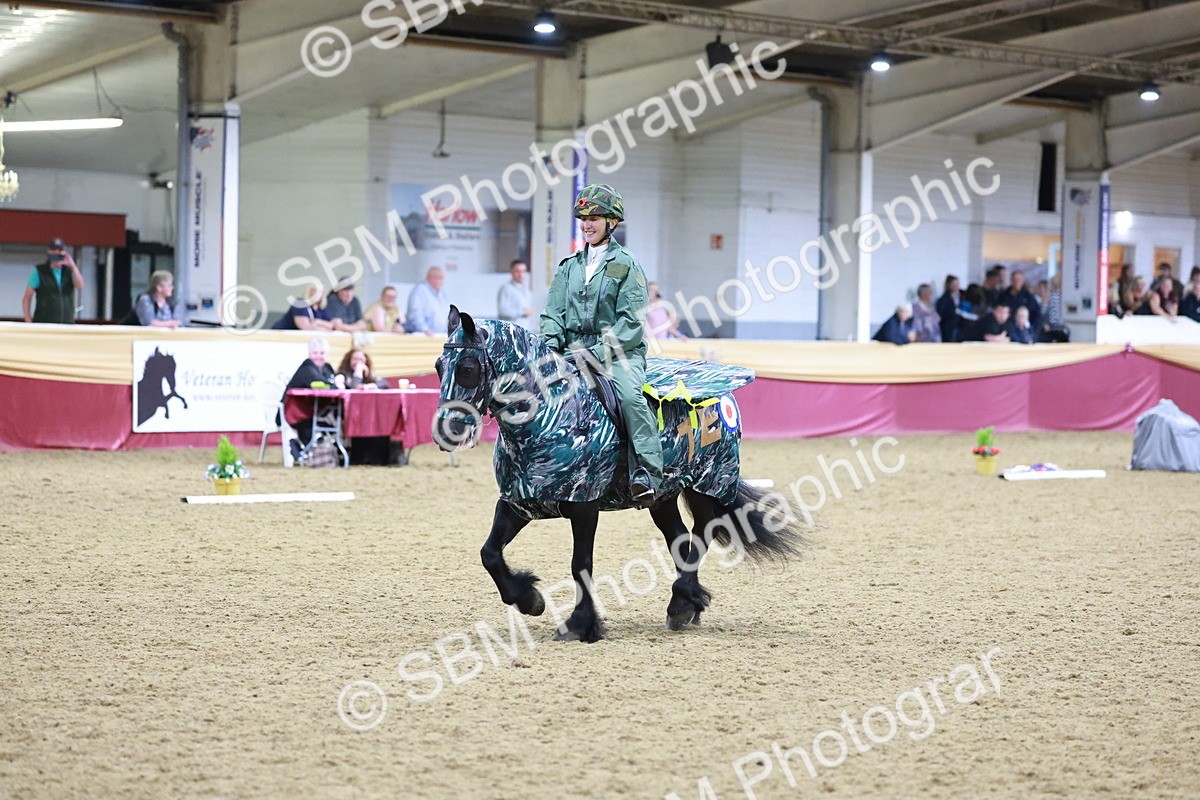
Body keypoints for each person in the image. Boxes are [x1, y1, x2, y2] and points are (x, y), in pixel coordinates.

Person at [541, 183, 661, 507]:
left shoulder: (627, 264)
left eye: (594, 218)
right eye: (583, 218)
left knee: (630, 397)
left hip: (618, 354)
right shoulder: (568, 266)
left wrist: (595, 354)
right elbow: (552, 313)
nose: (587, 224)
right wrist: (550, 346)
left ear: (612, 222)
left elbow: (631, 322)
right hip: (572, 352)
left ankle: (646, 473)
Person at [282, 337, 338, 462]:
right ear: (309, 354)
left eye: (322, 353)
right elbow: (320, 383)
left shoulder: (327, 368)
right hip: (295, 413)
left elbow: (332, 384)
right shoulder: (307, 368)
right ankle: (305, 451)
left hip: (314, 411)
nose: (318, 356)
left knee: (336, 416)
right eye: (315, 353)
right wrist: (336, 385)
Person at [23, 238, 83, 324]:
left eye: (60, 250)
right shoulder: (40, 271)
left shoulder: (69, 271)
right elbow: (27, 298)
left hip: (67, 323)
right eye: (53, 250)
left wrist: (73, 266)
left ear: (64, 253)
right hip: (44, 323)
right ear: (49, 252)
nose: (56, 253)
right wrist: (28, 320)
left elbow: (79, 285)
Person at [406, 266, 450, 335]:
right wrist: (425, 329)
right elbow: (415, 314)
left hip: (440, 336)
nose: (442, 282)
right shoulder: (420, 291)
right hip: (424, 336)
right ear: (431, 278)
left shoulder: (441, 293)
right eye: (440, 278)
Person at [497, 259, 537, 330]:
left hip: (525, 330)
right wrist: (522, 312)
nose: (521, 274)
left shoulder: (526, 289)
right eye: (518, 271)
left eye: (523, 271)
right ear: (511, 272)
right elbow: (502, 311)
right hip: (511, 331)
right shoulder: (506, 288)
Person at [935, 275, 968, 343]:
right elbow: (941, 314)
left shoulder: (964, 296)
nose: (955, 286)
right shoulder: (943, 300)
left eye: (957, 284)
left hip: (963, 327)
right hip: (950, 328)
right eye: (953, 284)